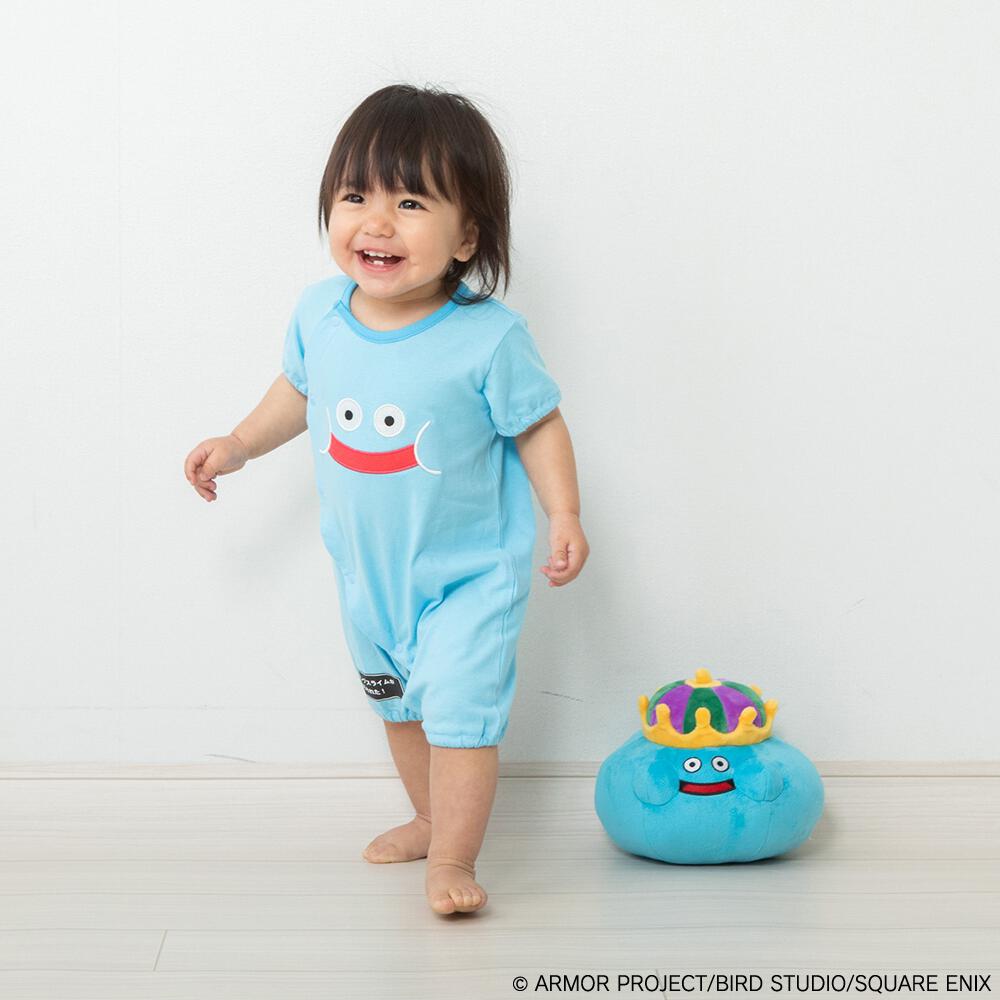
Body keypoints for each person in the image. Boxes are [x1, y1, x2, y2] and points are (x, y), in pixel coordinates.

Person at [183, 83, 589, 915]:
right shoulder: (321, 314)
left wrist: (565, 514)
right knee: (399, 707)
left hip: (468, 576)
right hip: (367, 576)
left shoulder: (488, 337)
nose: (376, 222)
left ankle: (454, 857)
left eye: (410, 203)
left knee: (459, 716)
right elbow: (297, 391)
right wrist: (239, 443)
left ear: (466, 236)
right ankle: (428, 817)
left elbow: (538, 424)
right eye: (355, 197)